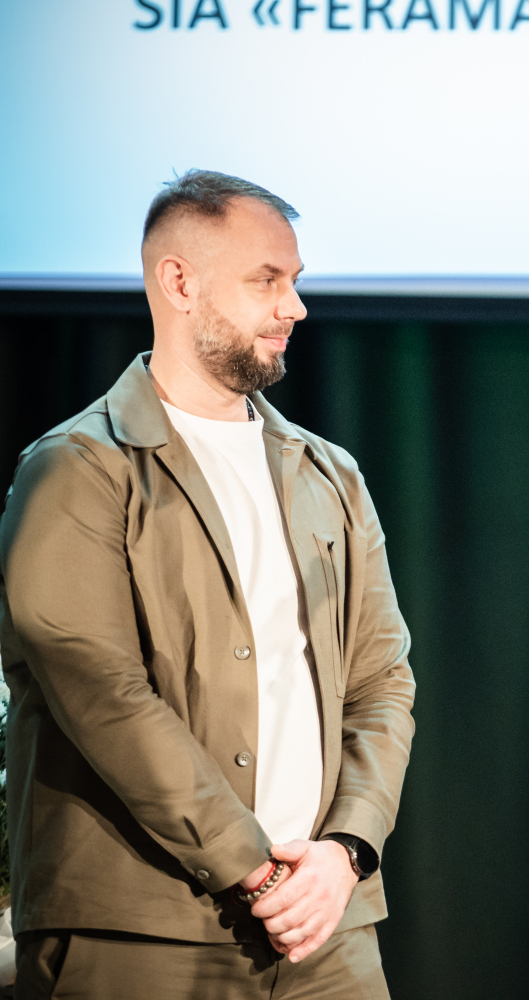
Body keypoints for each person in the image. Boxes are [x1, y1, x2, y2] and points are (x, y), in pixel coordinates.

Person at [0, 170, 417, 999]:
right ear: (179, 283)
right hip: (142, 932)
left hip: (327, 931)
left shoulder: (331, 475)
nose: (295, 307)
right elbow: (105, 695)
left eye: (295, 280)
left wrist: (346, 851)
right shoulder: (77, 469)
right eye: (267, 280)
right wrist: (255, 869)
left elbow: (382, 682)